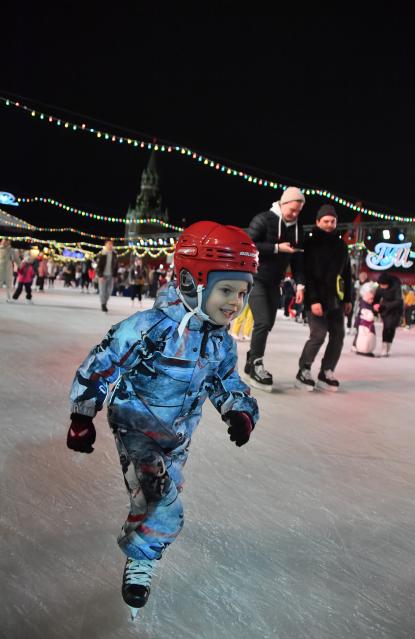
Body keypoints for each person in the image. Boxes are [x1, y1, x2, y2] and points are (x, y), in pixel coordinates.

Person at [67, 221, 259, 615]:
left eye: (242, 292)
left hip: (178, 433)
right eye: (226, 290)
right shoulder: (150, 328)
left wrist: (238, 409)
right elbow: (102, 362)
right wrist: (83, 413)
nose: (234, 303)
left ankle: (142, 551)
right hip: (136, 425)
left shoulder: (220, 341)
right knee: (163, 503)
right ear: (191, 283)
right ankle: (140, 564)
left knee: (153, 495)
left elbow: (225, 380)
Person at [245, 186, 305, 391]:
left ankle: (251, 360)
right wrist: (277, 248)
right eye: (293, 209)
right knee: (262, 321)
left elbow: (297, 260)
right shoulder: (264, 219)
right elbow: (248, 244)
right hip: (256, 278)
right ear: (283, 203)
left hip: (274, 282)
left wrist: (300, 285)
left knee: (268, 323)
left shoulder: (298, 229)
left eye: (299, 211)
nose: (295, 214)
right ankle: (256, 364)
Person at [295, 205, 352, 392]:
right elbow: (307, 273)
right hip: (316, 298)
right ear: (318, 222)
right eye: (325, 221)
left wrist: (348, 299)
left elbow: (347, 274)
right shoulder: (310, 244)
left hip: (336, 299)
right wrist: (313, 300)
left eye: (332, 221)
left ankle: (326, 371)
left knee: (338, 335)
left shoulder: (341, 245)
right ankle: (304, 370)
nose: (329, 224)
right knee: (318, 334)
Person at [373, 272, 403, 357]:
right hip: (385, 310)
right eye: (380, 285)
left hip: (395, 310)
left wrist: (385, 306)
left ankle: (388, 344)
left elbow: (398, 301)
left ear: (388, 283)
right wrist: (375, 306)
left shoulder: (396, 286)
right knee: (386, 327)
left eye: (383, 285)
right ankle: (384, 346)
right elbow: (376, 299)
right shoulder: (380, 287)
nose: (382, 287)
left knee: (391, 328)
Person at [352, 282, 377, 356]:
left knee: (361, 334)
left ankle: (357, 345)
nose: (372, 300)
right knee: (359, 334)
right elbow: (362, 312)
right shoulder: (362, 303)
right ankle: (355, 345)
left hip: (364, 323)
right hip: (360, 322)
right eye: (371, 298)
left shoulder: (367, 303)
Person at [96, 240, 118, 312]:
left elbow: (116, 266)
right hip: (103, 276)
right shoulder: (102, 254)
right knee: (102, 291)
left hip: (111, 276)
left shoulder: (114, 254)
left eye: (111, 244)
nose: (110, 245)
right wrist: (100, 275)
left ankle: (105, 302)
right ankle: (103, 304)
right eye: (108, 244)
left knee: (109, 291)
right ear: (106, 245)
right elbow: (98, 266)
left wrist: (115, 276)